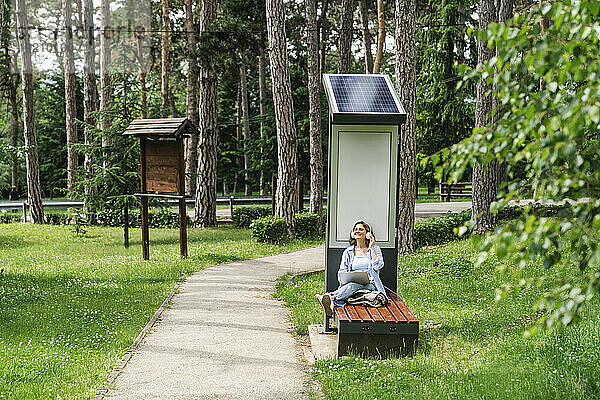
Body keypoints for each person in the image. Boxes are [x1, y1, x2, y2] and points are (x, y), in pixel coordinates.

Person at [315, 220, 386, 316]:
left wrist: (371, 247)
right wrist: (343, 280)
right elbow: (342, 271)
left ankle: (330, 297)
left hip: (371, 285)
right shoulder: (348, 251)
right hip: (351, 285)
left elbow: (378, 266)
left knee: (352, 285)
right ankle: (332, 301)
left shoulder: (375, 249)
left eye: (361, 229)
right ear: (352, 234)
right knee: (352, 285)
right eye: (356, 229)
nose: (357, 231)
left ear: (368, 233)